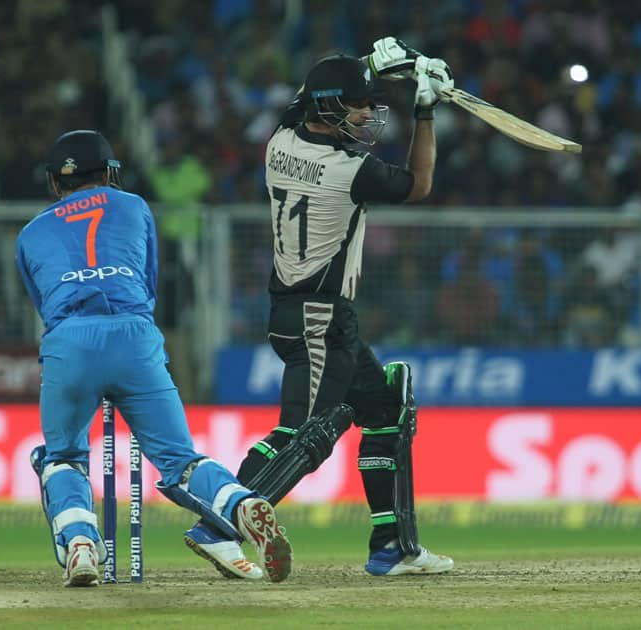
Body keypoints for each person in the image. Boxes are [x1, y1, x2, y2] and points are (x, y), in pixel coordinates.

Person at [16, 130, 291, 586]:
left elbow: (43, 306)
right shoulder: (134, 206)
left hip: (69, 340)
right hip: (134, 335)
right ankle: (242, 504)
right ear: (108, 173)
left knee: (62, 457)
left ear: (53, 182)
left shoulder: (29, 234)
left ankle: (81, 544)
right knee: (180, 461)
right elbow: (148, 282)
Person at [229, 37, 454, 576]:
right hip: (318, 317)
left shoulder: (279, 141)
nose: (367, 115)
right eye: (359, 105)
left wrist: (372, 65)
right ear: (330, 107)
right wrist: (425, 110)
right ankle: (219, 521)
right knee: (306, 433)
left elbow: (307, 90)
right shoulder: (349, 169)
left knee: (386, 407)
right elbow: (419, 184)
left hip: (305, 312)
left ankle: (392, 548)